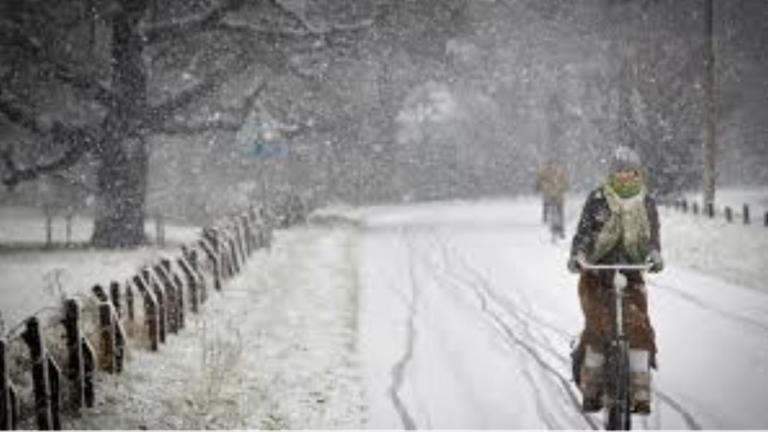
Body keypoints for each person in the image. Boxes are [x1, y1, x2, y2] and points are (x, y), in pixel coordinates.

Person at [567, 146, 664, 414]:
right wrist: (579, 255)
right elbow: (584, 232)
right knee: (597, 328)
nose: (624, 176)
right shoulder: (598, 198)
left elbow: (652, 235)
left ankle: (640, 390)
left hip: (631, 272)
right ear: (612, 173)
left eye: (629, 171)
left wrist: (654, 253)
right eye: (619, 171)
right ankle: (592, 390)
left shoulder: (646, 201)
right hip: (598, 272)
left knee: (640, 328)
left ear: (637, 172)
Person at [535, 162, 567, 238]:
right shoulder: (559, 171)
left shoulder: (544, 172)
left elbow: (539, 183)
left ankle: (550, 222)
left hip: (550, 195)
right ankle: (559, 227)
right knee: (559, 212)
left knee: (551, 208)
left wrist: (539, 188)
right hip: (557, 195)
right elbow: (565, 183)